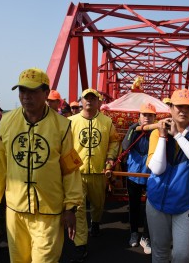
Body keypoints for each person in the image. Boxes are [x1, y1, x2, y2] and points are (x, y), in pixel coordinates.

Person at [0, 67, 83, 262]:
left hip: (49, 212)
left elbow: (70, 170)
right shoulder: (5, 123)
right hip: (15, 211)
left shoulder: (62, 126)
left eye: (32, 91)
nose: (26, 96)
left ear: (46, 93)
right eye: (22, 91)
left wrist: (71, 207)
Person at [146, 88, 189, 262]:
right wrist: (162, 136)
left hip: (185, 203)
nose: (183, 111)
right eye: (178, 106)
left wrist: (177, 136)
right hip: (156, 202)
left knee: (182, 255)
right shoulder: (156, 133)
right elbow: (157, 169)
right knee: (160, 253)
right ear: (171, 108)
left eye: (188, 107)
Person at [69, 88, 120, 262]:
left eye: (93, 98)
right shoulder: (71, 121)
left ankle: (96, 222)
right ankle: (80, 245)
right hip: (78, 174)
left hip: (99, 172)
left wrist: (110, 159)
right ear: (81, 101)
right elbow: (64, 145)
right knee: (79, 210)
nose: (89, 101)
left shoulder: (106, 122)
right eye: (86, 98)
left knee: (98, 204)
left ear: (98, 101)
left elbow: (114, 141)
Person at [122, 103, 156, 254]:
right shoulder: (134, 129)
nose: (147, 118)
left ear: (155, 117)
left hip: (152, 175)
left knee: (151, 208)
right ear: (139, 116)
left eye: (150, 115)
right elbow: (125, 146)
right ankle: (134, 233)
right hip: (134, 174)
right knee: (134, 206)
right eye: (144, 115)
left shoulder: (158, 131)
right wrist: (133, 129)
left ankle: (146, 237)